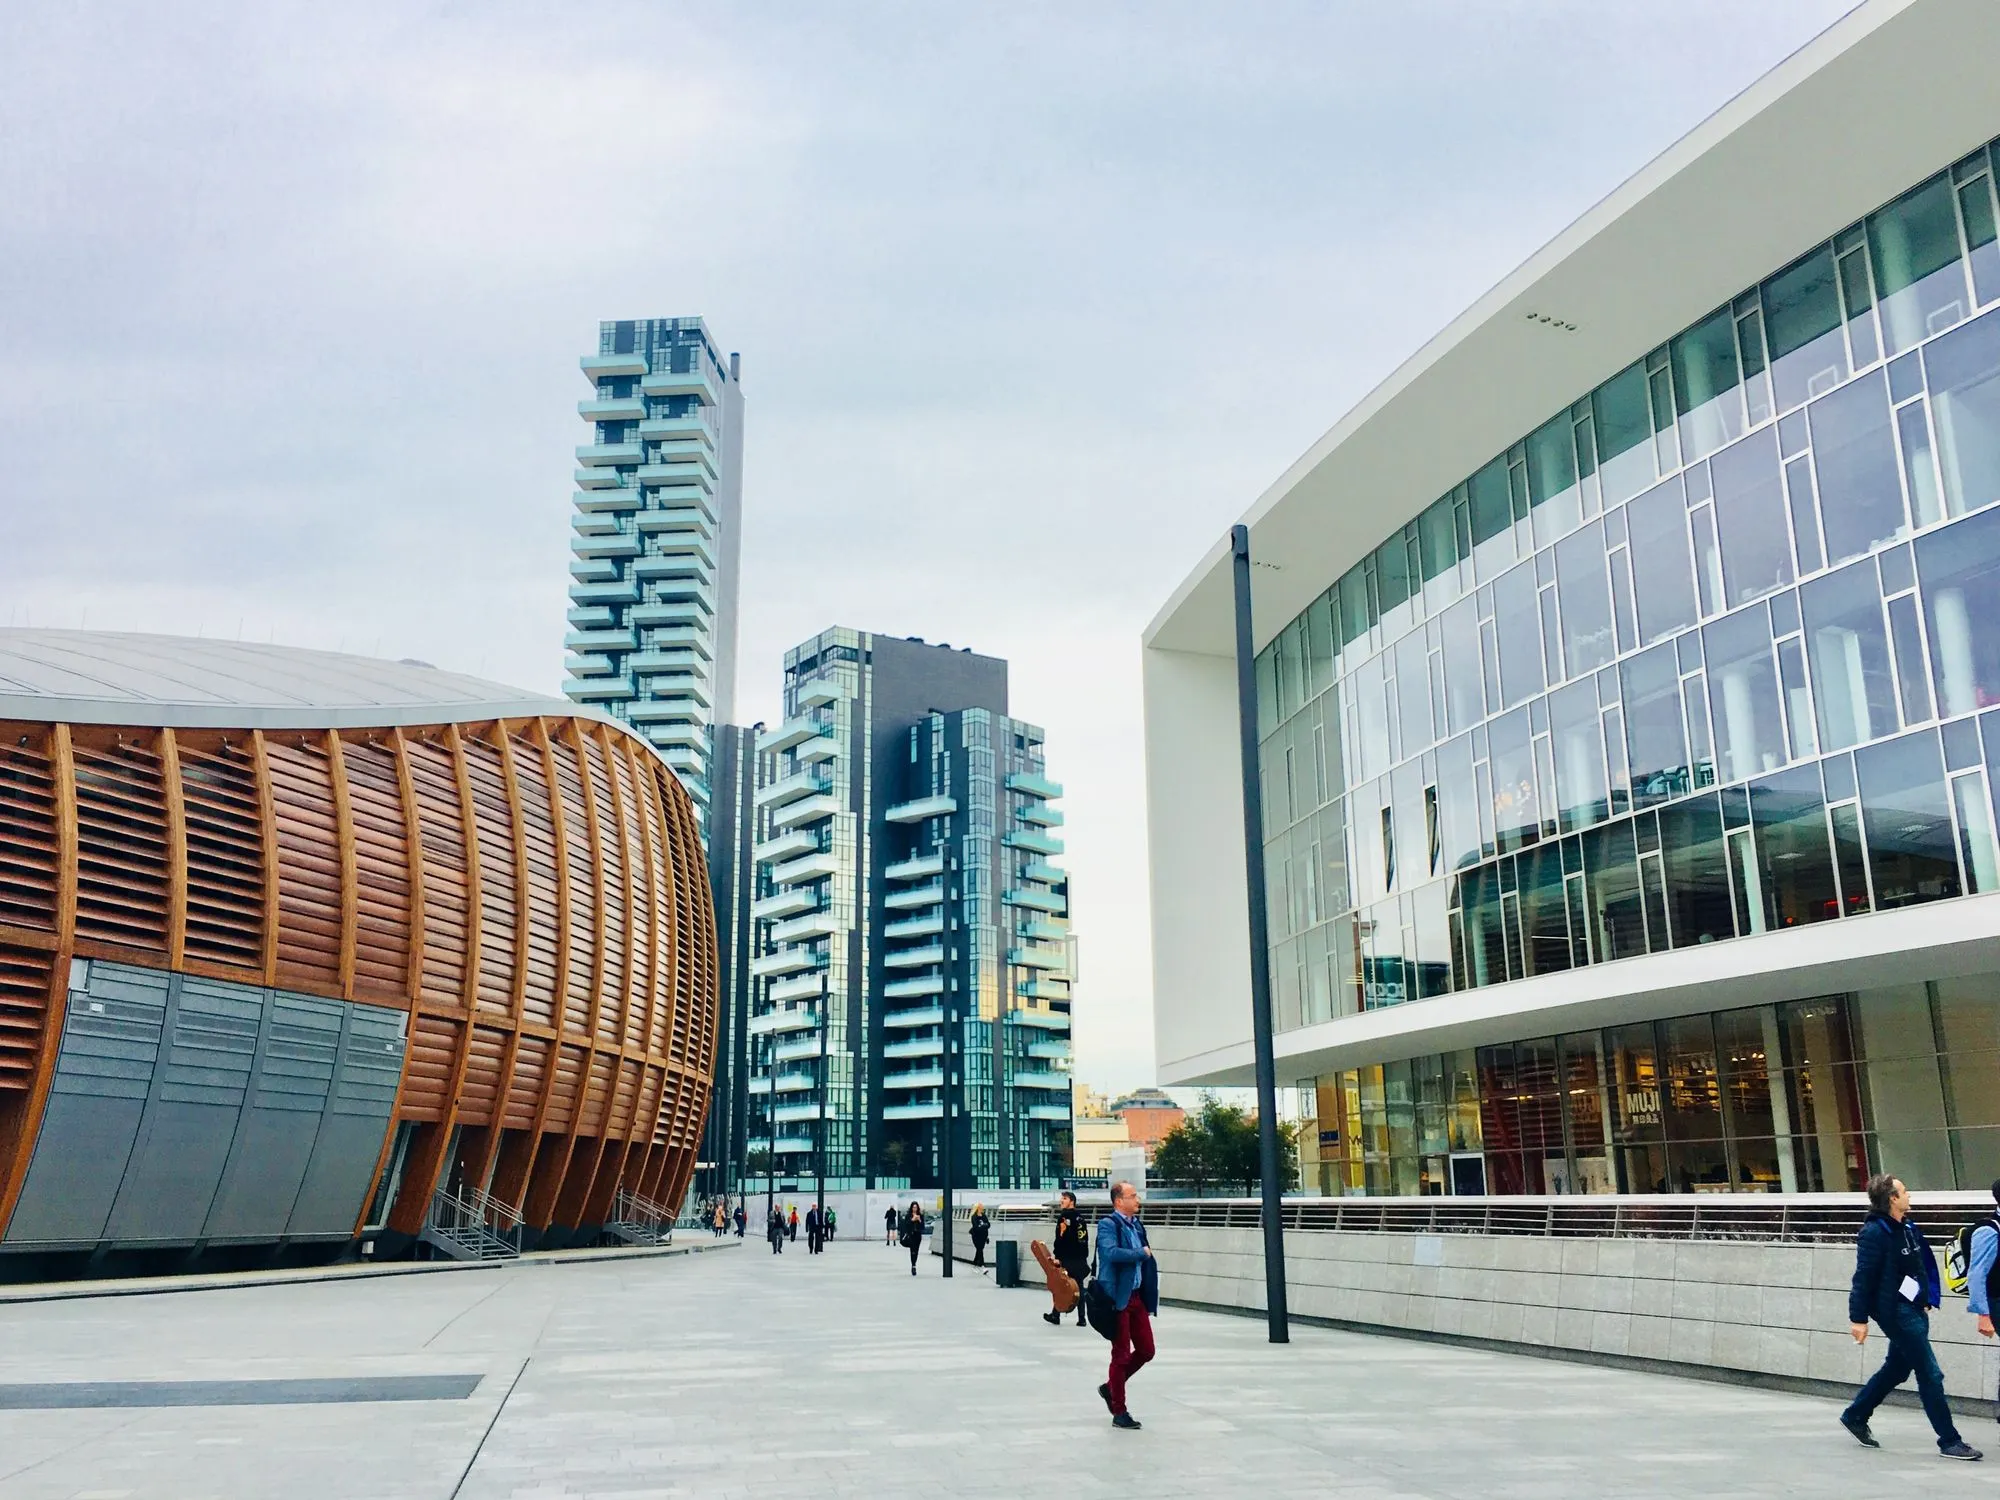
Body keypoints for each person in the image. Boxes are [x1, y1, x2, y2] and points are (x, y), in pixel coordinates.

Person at [1841, 1173, 1981, 1459]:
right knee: (1930, 1373)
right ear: (1892, 1198)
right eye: (1904, 1192)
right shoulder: (1875, 1232)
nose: (1909, 1196)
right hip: (1895, 1311)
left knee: (1897, 1368)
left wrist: (1927, 1297)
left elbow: (1920, 1264)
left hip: (1913, 1307)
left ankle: (1856, 1414)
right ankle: (1949, 1440)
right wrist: (1858, 1319)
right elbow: (1863, 1277)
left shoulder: (1907, 1226)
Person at [1095, 1179, 1158, 1431]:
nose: (1138, 1200)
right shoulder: (1108, 1225)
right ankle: (1119, 1410)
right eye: (1133, 1196)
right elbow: (1110, 1253)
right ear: (1119, 1201)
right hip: (1117, 1299)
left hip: (1136, 1297)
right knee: (1120, 1355)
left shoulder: (1137, 1225)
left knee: (1146, 1350)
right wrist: (1140, 1254)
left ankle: (1110, 1387)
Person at [1045, 1190, 1091, 1328]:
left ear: (1072, 1201)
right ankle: (1082, 1318)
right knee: (1079, 1288)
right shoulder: (1080, 1219)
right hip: (1080, 1258)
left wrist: (1058, 1257)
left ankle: (1055, 1315)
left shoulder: (1064, 1218)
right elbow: (1084, 1239)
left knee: (1060, 1286)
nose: (1061, 1201)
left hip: (1067, 1258)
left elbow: (1061, 1239)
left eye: (1064, 1198)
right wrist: (1083, 1257)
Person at [900, 1201, 926, 1275]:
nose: (915, 1208)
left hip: (917, 1235)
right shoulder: (908, 1215)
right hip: (911, 1235)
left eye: (916, 1207)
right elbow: (906, 1225)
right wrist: (912, 1220)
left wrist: (919, 1220)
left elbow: (922, 1227)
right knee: (912, 1251)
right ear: (911, 1208)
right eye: (913, 1207)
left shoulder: (920, 1215)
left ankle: (914, 1264)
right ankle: (913, 1266)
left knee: (916, 1251)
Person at [970, 1204, 991, 1274]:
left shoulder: (984, 1216)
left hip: (983, 1236)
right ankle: (982, 1266)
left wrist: (982, 1226)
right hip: (976, 1236)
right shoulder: (974, 1217)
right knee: (980, 1249)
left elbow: (988, 1224)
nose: (982, 1209)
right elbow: (976, 1227)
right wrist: (984, 1225)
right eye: (981, 1207)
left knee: (979, 1250)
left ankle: (974, 1266)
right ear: (978, 1208)